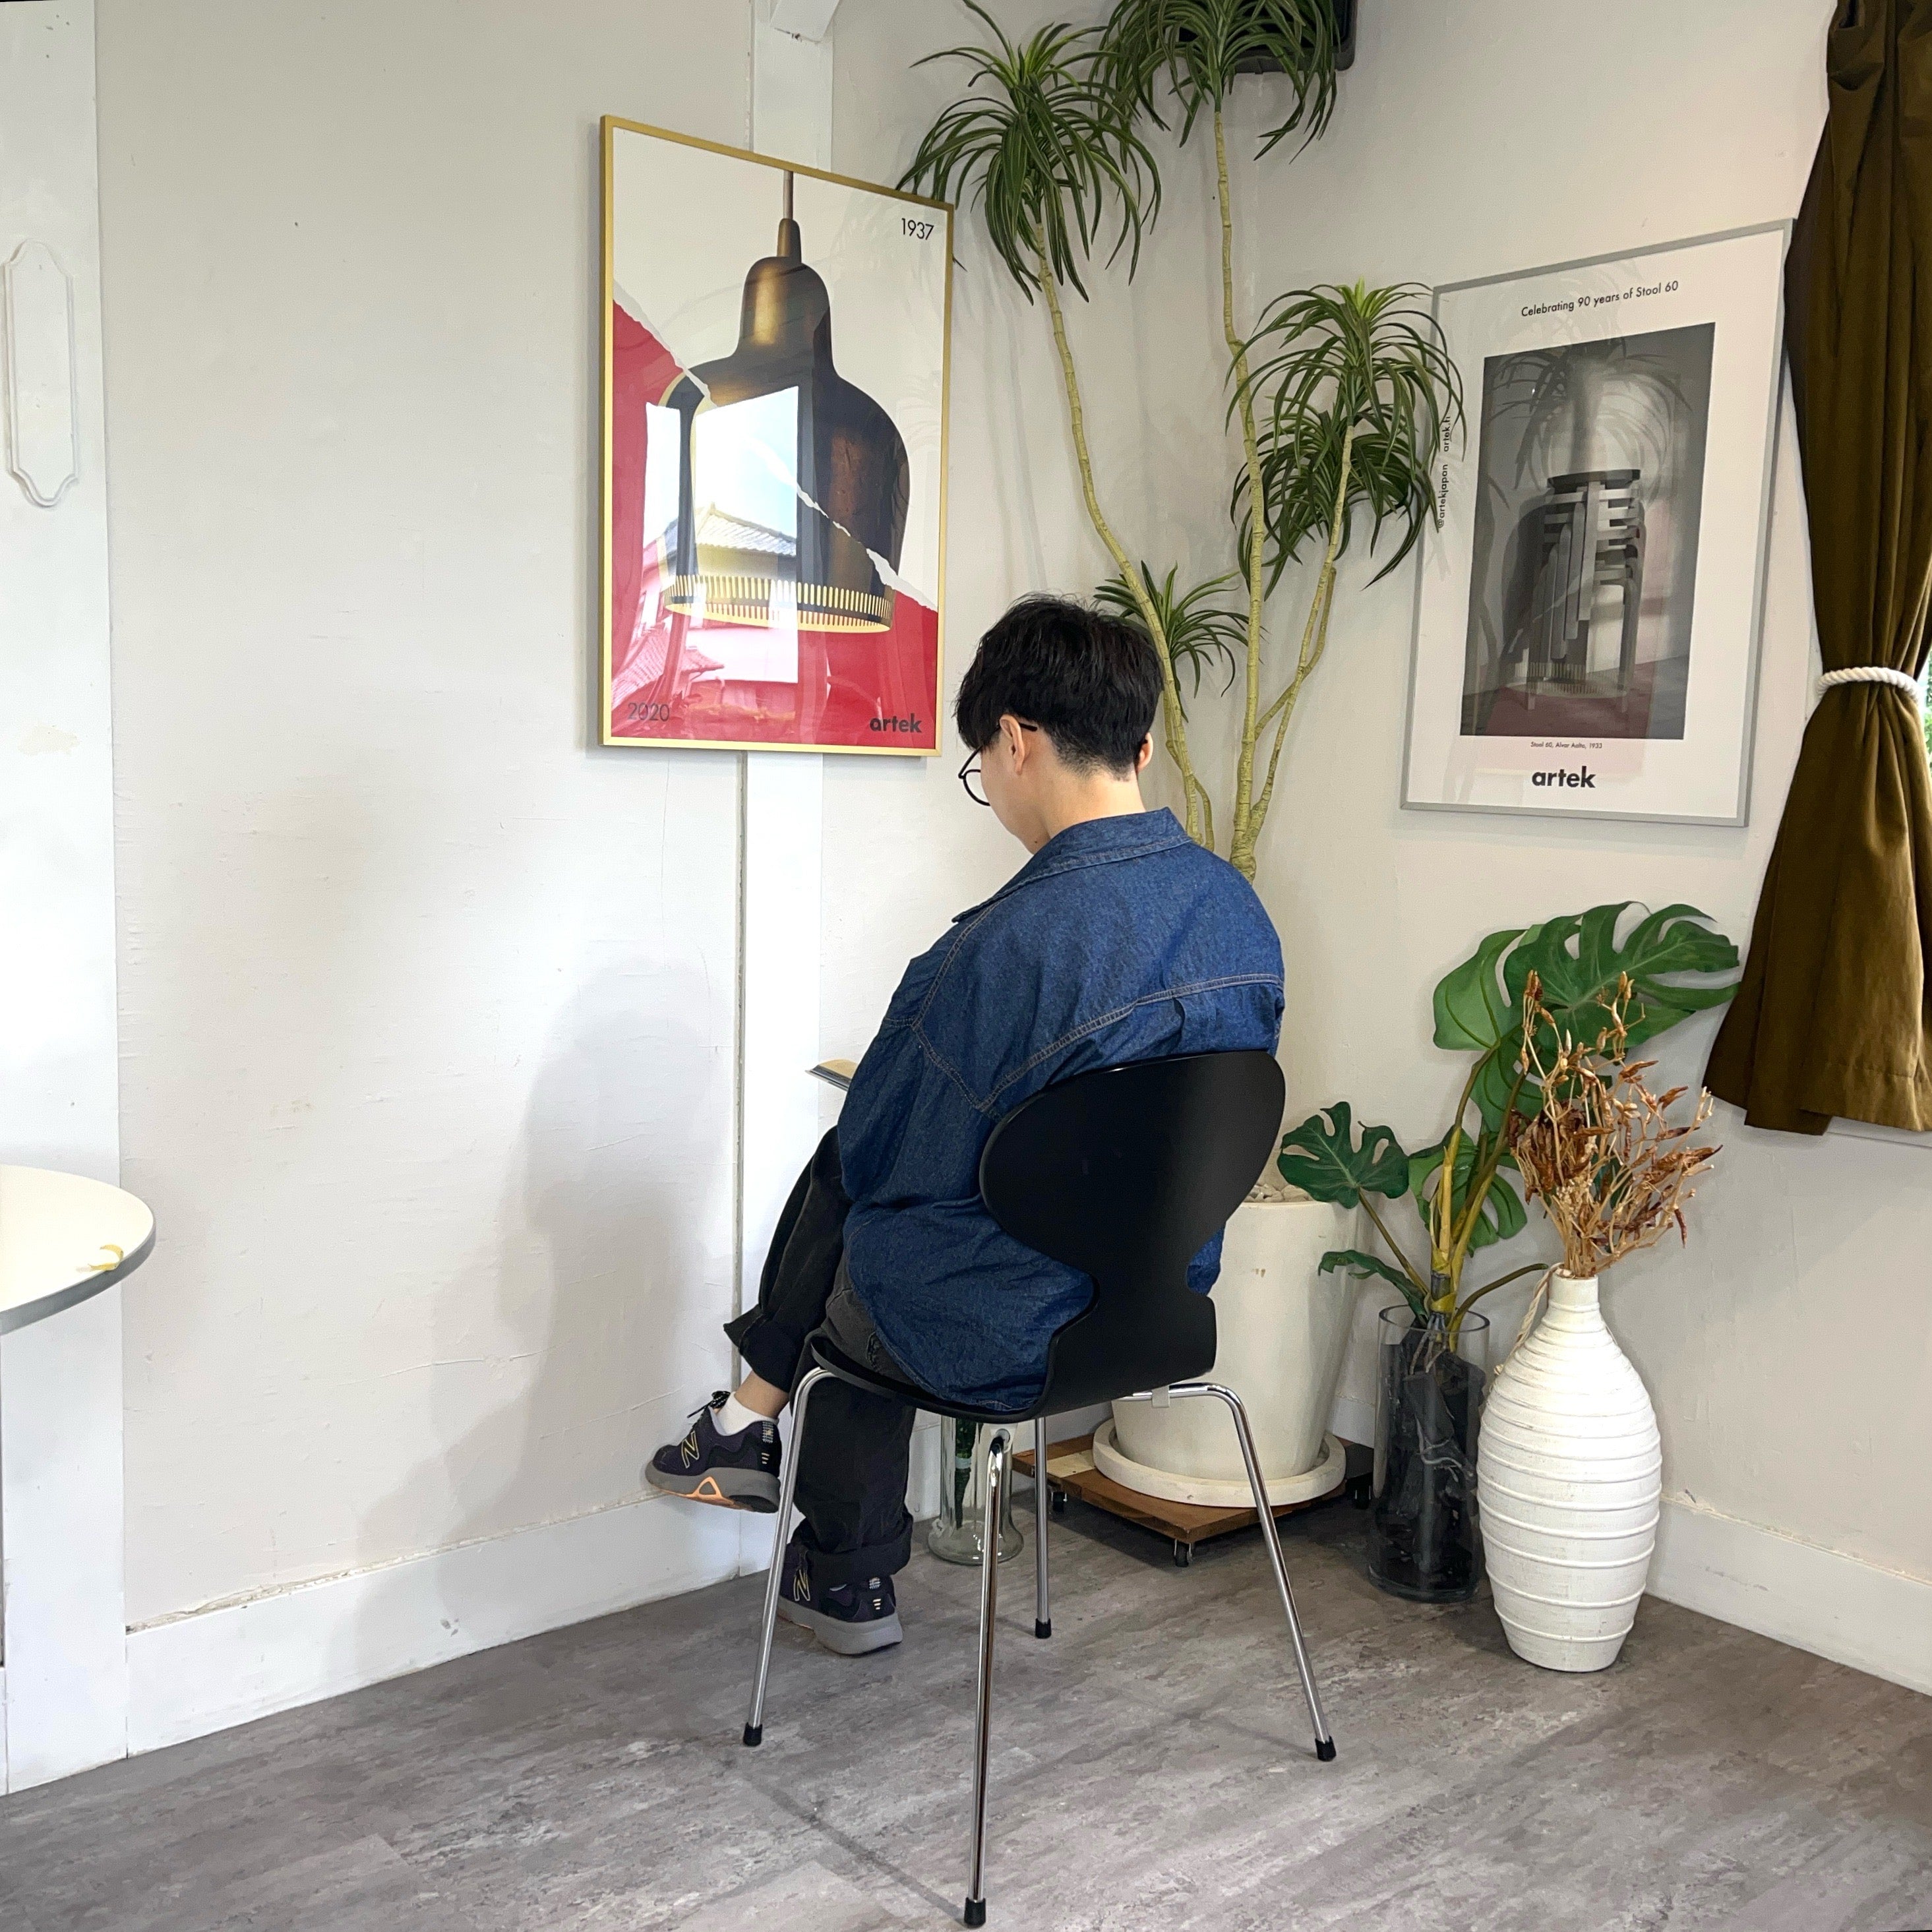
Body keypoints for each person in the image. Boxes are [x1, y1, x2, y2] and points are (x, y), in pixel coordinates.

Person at [645, 595, 1284, 1654]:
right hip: (1161, 1307)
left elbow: (885, 1165)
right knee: (888, 1208)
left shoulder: (992, 951)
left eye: (981, 763)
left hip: (1001, 1332)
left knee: (861, 1216)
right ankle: (747, 1434)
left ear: (1017, 740)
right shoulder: (1239, 914)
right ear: (1141, 745)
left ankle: (823, 1544)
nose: (989, 785)